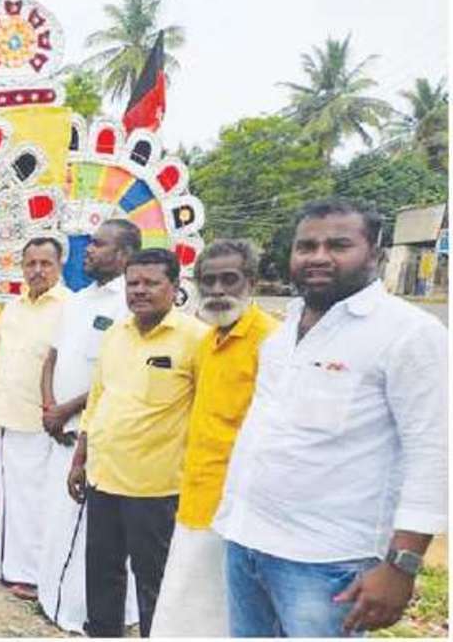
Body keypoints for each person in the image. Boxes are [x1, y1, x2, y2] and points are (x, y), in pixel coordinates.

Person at [214, 198, 448, 637]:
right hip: (245, 541)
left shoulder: (409, 334)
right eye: (306, 246)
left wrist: (402, 565)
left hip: (328, 562)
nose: (318, 257)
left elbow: (433, 453)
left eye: (338, 245)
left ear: (375, 252)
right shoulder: (282, 332)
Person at [67, 248, 209, 637]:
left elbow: (208, 412)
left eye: (151, 283)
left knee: (154, 582)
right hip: (103, 478)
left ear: (175, 287)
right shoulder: (116, 333)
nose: (140, 291)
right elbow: (98, 399)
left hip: (156, 489)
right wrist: (79, 459)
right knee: (101, 572)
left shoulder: (197, 339)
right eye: (133, 284)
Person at [149, 239, 280, 637]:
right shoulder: (208, 341)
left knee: (221, 613)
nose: (218, 291)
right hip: (196, 495)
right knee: (184, 606)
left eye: (230, 279)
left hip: (239, 506)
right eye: (209, 281)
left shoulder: (271, 342)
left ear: (251, 282)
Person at [34, 219, 142, 634]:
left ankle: (84, 610)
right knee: (56, 513)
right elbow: (52, 358)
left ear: (125, 254)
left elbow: (116, 375)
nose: (89, 250)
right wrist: (50, 407)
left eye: (99, 244)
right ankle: (53, 597)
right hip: (56, 426)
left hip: (92, 429)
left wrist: (66, 411)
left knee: (90, 528)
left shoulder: (130, 303)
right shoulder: (77, 300)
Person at [0, 237, 70, 601]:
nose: (37, 271)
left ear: (60, 265)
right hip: (2, 415)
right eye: (31, 263)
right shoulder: (13, 308)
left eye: (45, 263)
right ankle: (2, 565)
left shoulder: (70, 308)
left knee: (32, 501)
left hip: (37, 421)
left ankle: (32, 574)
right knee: (1, 496)